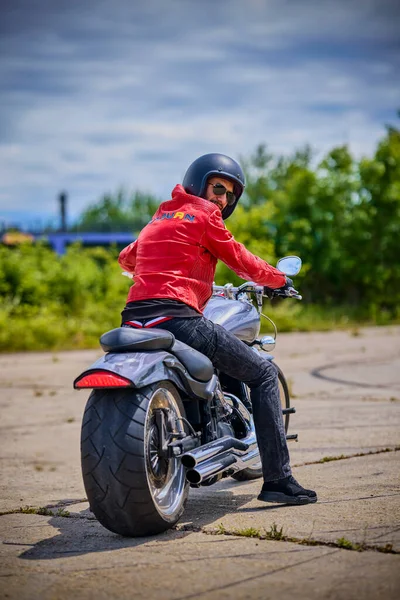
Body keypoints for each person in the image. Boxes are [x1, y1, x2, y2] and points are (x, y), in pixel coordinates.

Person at [118, 153, 317, 505]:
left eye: (230, 195)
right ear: (199, 183)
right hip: (178, 317)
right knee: (264, 374)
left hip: (134, 317)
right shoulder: (204, 216)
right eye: (219, 188)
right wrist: (279, 278)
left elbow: (128, 258)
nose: (223, 199)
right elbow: (240, 259)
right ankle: (279, 481)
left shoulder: (159, 217)